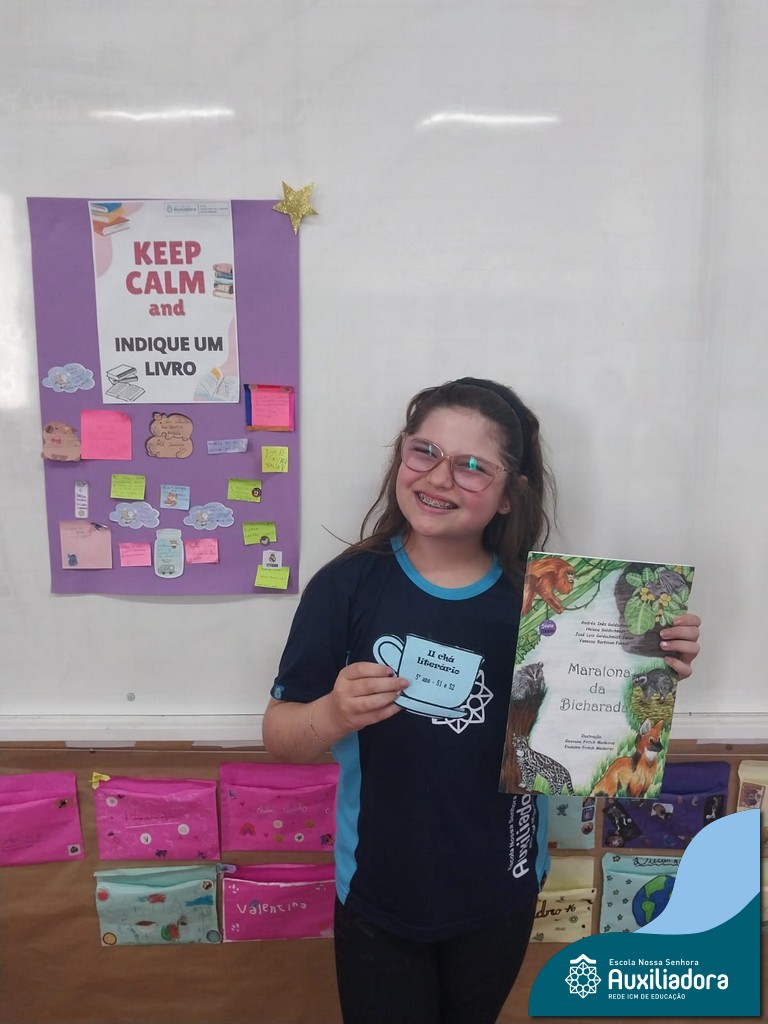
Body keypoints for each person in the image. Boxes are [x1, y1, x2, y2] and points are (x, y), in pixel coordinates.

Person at [262, 377, 701, 1024]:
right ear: (401, 456)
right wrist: (330, 714)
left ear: (508, 494)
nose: (439, 477)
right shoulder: (347, 587)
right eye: (424, 451)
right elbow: (282, 736)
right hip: (380, 890)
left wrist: (648, 669)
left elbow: (595, 728)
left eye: (472, 466)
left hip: (502, 889)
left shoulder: (548, 606)